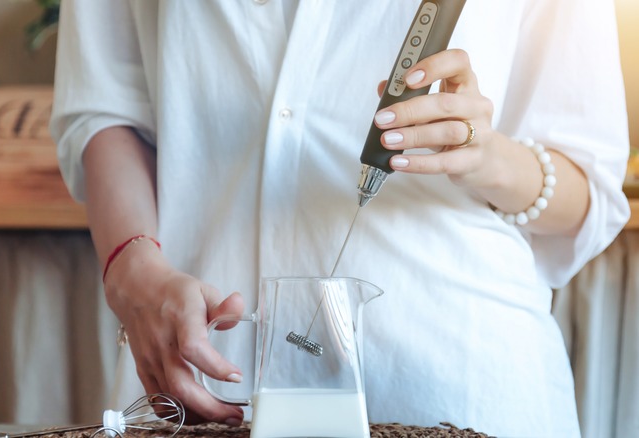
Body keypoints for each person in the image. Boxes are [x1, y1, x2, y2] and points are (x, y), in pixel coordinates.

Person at [50, 1, 630, 436]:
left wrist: (484, 154)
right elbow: (105, 107)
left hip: (461, 381)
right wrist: (134, 271)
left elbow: (589, 191)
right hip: (203, 378)